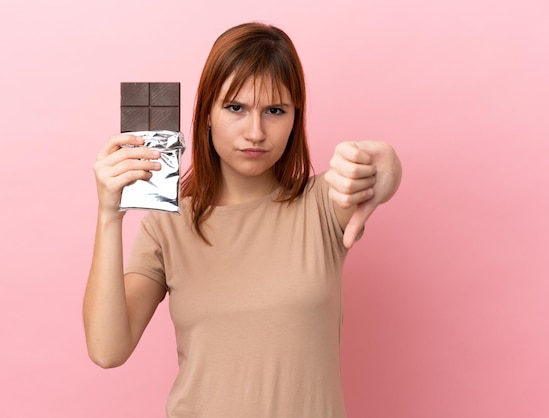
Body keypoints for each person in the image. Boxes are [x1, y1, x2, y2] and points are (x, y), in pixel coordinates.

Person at [84, 22, 402, 418]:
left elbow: (378, 174)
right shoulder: (168, 224)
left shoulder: (322, 203)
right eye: (236, 107)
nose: (255, 132)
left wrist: (385, 163)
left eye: (274, 110)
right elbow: (107, 348)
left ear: (294, 118)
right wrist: (109, 215)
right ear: (207, 115)